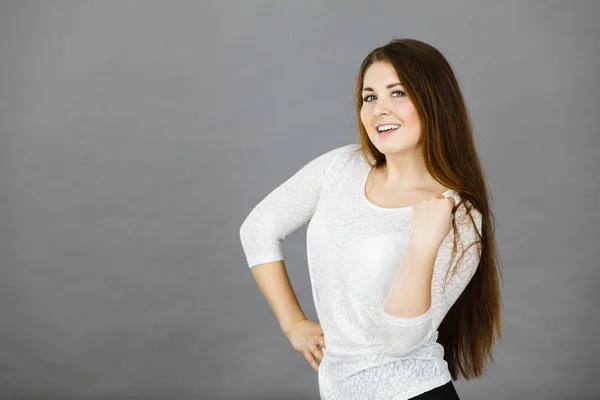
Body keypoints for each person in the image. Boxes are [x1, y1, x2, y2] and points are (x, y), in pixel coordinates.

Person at [239, 38, 502, 400]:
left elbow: (399, 342)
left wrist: (422, 245)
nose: (380, 109)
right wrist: (293, 323)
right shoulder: (342, 166)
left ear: (434, 103)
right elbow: (258, 228)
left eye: (398, 93)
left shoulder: (458, 214)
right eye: (370, 97)